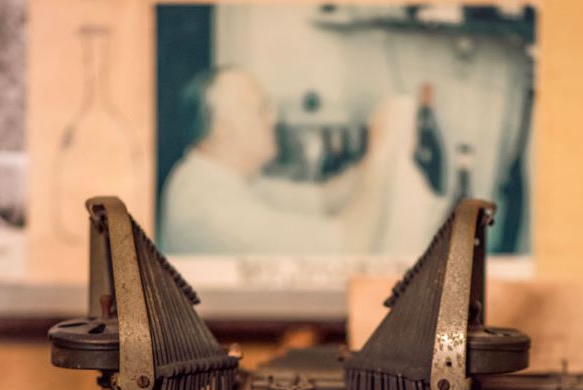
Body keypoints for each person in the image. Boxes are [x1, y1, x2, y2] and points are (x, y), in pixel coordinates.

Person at [159, 68, 429, 255]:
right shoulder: (211, 211)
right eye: (261, 108)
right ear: (224, 129)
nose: (274, 118)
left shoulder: (219, 175)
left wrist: (381, 147)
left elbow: (325, 198)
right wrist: (383, 147)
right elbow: (348, 246)